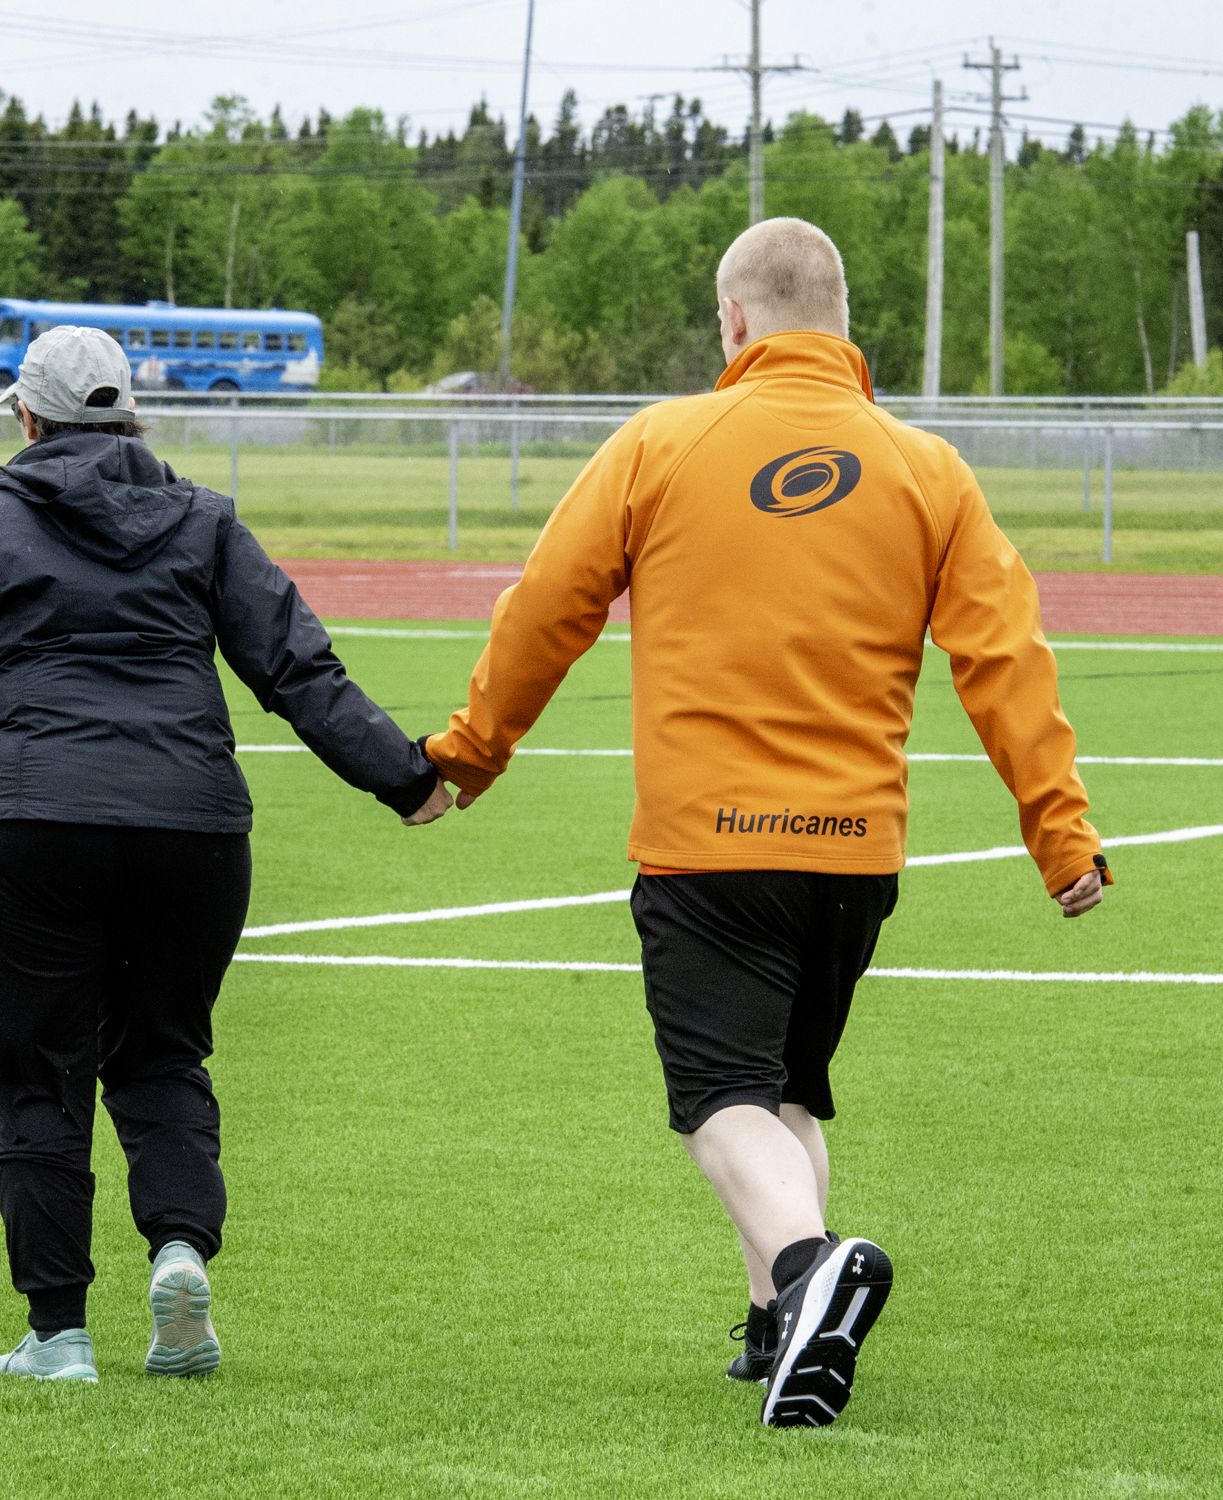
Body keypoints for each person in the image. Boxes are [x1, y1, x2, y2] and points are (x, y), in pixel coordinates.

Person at [422, 218, 1111, 1429]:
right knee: (791, 1090)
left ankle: (808, 1271)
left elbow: (547, 610)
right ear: (846, 324)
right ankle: (772, 1332)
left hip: (710, 842)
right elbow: (1007, 656)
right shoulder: (929, 469)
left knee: (720, 1102)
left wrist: (472, 753)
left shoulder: (660, 442)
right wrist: (1059, 829)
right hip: (855, 853)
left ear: (733, 324)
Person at [0, 326, 453, 1384]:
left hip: (32, 828)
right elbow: (298, 668)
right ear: (131, 415)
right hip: (194, 828)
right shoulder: (205, 521)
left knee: (41, 1070)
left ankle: (58, 1334)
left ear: (26, 421)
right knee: (163, 1054)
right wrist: (402, 776)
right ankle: (179, 1251)